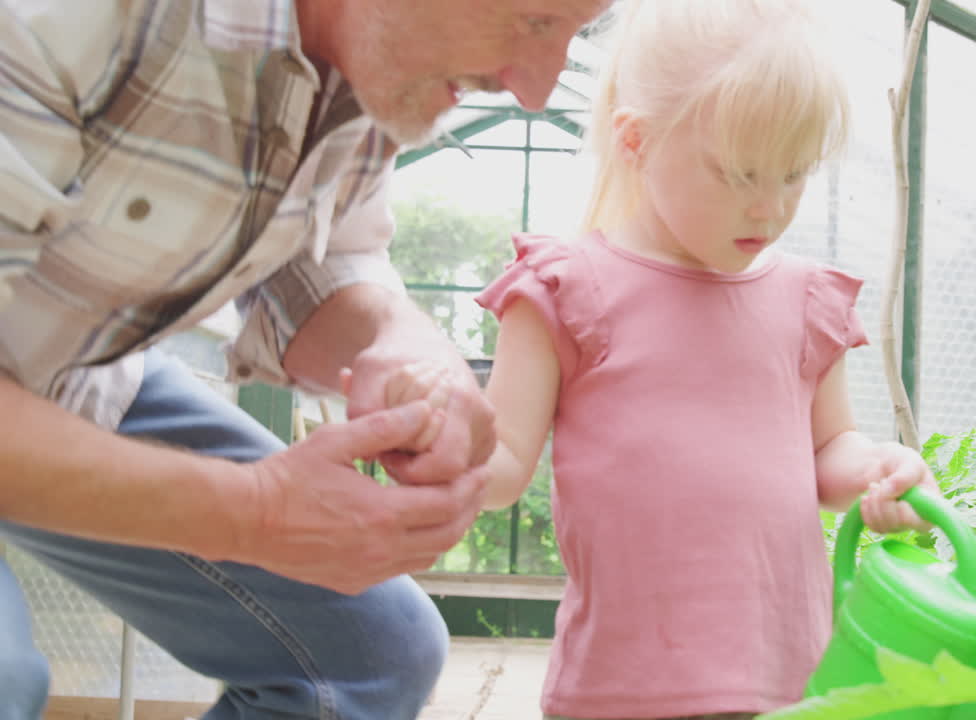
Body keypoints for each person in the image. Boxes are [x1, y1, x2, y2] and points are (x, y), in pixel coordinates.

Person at [0, 1, 610, 718]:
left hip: (84, 372)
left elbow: (323, 258)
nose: (536, 88)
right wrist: (255, 514)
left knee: (371, 657)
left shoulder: (373, 60)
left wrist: (403, 344)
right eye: (535, 19)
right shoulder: (62, 21)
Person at [388, 1, 941, 717]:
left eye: (793, 175)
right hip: (622, 688)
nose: (769, 208)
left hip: (785, 683)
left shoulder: (806, 301)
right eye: (738, 174)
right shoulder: (567, 290)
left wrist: (877, 470)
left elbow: (827, 450)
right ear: (636, 141)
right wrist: (440, 440)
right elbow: (501, 468)